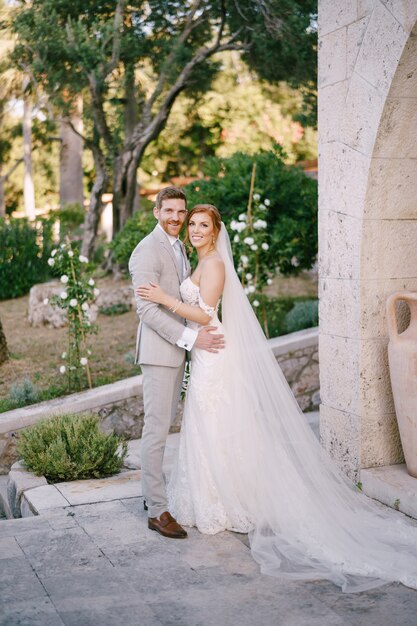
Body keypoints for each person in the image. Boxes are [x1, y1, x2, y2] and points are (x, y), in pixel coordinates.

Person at [137, 203, 417, 593]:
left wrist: (165, 300)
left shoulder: (214, 264)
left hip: (213, 352)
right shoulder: (192, 258)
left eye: (203, 225)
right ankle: (209, 495)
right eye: (193, 224)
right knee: (208, 425)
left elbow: (205, 315)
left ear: (216, 233)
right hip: (202, 354)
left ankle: (231, 498)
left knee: (218, 423)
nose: (196, 229)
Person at [129, 188, 224, 540]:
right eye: (168, 210)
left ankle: (151, 495)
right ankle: (156, 510)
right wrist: (192, 339)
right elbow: (147, 310)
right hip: (160, 352)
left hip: (183, 351)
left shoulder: (182, 248)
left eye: (180, 212)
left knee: (165, 425)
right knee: (155, 430)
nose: (175, 218)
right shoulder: (146, 252)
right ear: (156, 211)